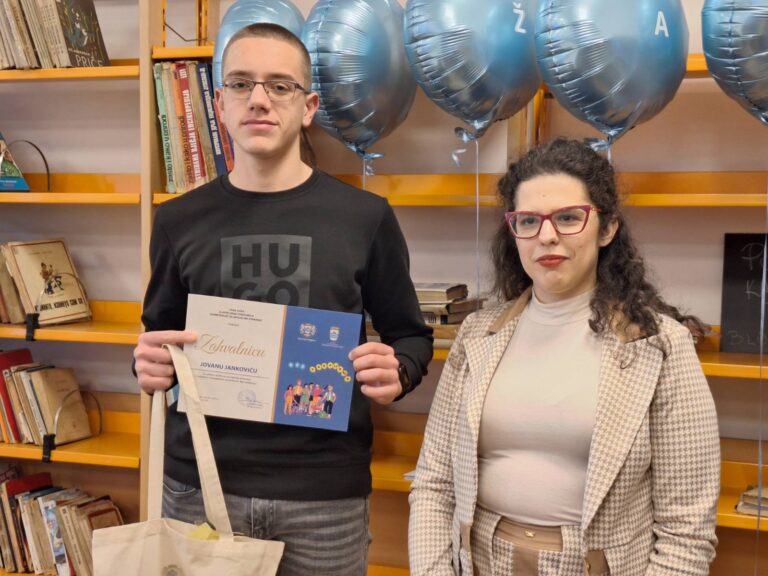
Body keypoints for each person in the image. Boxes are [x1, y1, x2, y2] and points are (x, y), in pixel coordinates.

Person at [133, 23, 432, 576]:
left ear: (308, 106)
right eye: (241, 84)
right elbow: (157, 339)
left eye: (279, 85)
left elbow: (410, 336)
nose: (259, 99)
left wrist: (399, 370)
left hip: (325, 496)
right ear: (219, 104)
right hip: (202, 487)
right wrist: (147, 363)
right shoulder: (177, 220)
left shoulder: (365, 218)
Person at [408, 138, 719, 576]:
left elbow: (686, 534)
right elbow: (434, 482)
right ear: (513, 231)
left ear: (606, 228)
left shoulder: (660, 345)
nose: (547, 235)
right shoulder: (477, 334)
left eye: (569, 218)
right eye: (528, 221)